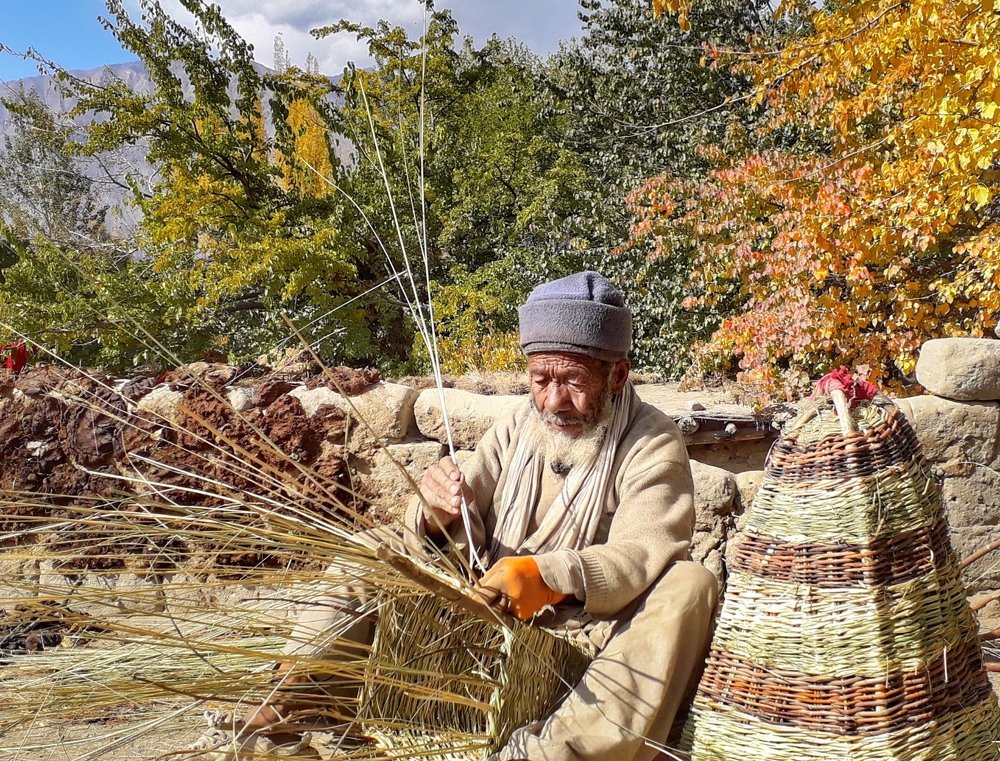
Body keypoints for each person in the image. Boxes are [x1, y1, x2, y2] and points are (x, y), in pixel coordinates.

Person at [238, 271, 718, 761]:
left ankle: (548, 754)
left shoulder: (652, 441)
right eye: (540, 380)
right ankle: (293, 702)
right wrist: (434, 509)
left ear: (617, 375)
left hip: (579, 643)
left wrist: (548, 577)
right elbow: (465, 517)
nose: (553, 401)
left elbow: (642, 553)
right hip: (485, 616)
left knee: (690, 584)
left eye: (573, 381)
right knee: (378, 547)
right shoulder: (518, 422)